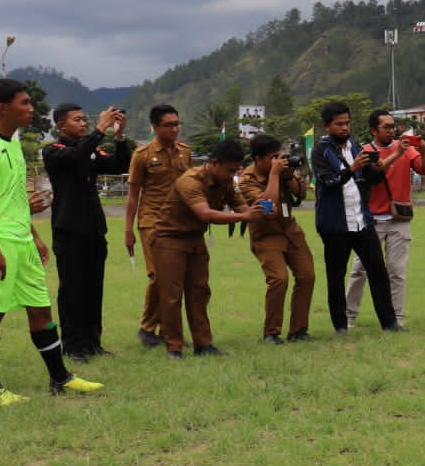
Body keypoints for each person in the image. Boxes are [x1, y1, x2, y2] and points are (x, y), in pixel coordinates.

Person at [0, 80, 104, 403]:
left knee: (41, 310)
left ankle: (60, 378)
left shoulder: (13, 143)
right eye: (25, 103)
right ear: (4, 107)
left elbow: (14, 199)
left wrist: (35, 236)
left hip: (22, 242)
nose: (32, 109)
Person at [150, 139, 262, 358]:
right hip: (169, 239)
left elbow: (240, 205)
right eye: (230, 170)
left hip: (195, 239)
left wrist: (257, 210)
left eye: (236, 170)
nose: (232, 175)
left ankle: (203, 344)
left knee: (200, 293)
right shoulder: (190, 181)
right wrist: (242, 216)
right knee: (172, 296)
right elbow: (205, 213)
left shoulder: (227, 181)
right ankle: (174, 347)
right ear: (214, 163)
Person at [41, 104, 134, 362]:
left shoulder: (90, 149)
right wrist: (100, 128)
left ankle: (93, 343)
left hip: (94, 230)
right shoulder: (53, 151)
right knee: (72, 291)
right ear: (61, 126)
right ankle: (73, 346)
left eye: (85, 119)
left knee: (94, 289)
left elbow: (118, 165)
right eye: (77, 120)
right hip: (69, 230)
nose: (83, 123)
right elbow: (75, 158)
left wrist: (118, 136)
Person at [310, 101, 400, 334]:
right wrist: (351, 168)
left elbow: (370, 180)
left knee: (378, 272)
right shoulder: (321, 151)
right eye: (339, 124)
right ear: (326, 126)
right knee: (336, 276)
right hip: (335, 225)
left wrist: (376, 168)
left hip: (362, 220)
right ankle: (340, 327)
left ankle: (389, 324)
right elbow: (328, 182)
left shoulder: (356, 147)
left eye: (347, 123)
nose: (344, 128)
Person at [346, 109, 425, 329]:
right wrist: (398, 154)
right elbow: (373, 175)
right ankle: (348, 317)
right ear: (374, 130)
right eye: (387, 127)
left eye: (394, 126)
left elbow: (424, 169)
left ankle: (396, 319)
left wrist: (423, 151)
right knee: (360, 270)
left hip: (399, 218)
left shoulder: (406, 148)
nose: (392, 131)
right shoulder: (365, 151)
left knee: (397, 271)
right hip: (371, 220)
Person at [124, 105, 192, 347]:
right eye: (168, 125)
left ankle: (166, 329)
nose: (174, 129)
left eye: (176, 123)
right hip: (151, 221)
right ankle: (147, 327)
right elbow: (133, 195)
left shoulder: (185, 152)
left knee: (173, 277)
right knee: (159, 275)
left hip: (178, 222)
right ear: (155, 127)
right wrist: (128, 230)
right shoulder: (142, 155)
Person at [239, 136, 315, 345]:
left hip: (290, 230)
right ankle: (271, 333)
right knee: (279, 279)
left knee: (307, 276)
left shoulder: (283, 170)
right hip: (266, 234)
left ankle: (298, 330)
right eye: (273, 158)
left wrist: (288, 175)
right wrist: (274, 174)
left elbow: (300, 194)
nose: (278, 160)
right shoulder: (247, 179)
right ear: (258, 158)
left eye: (279, 156)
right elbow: (267, 207)